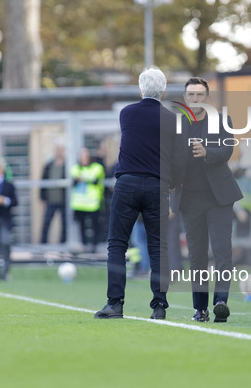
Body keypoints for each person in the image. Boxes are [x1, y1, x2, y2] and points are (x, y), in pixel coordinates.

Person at [95, 67, 183, 320]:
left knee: (117, 245)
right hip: (158, 186)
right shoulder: (172, 120)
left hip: (128, 183)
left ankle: (115, 304)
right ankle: (159, 306)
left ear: (141, 89)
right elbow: (177, 160)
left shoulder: (127, 113)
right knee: (159, 246)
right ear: (164, 91)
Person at [174, 77, 243, 323]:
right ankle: (200, 309)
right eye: (191, 95)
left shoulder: (222, 121)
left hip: (219, 198)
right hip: (189, 201)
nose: (195, 99)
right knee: (197, 257)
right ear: (185, 99)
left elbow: (227, 150)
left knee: (223, 253)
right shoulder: (177, 125)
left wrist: (207, 152)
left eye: (199, 95)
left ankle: (220, 302)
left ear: (208, 98)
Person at [70, 148, 104, 253]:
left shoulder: (97, 167)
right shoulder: (75, 168)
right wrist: (86, 177)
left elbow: (94, 178)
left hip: (93, 203)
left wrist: (83, 177)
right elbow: (75, 176)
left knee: (95, 225)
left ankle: (94, 245)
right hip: (79, 204)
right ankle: (84, 245)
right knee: (82, 226)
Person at [40, 144, 67, 244]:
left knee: (64, 224)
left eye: (61, 150)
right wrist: (42, 198)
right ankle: (43, 244)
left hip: (63, 200)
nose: (59, 152)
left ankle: (62, 244)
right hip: (50, 200)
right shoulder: (49, 164)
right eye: (57, 150)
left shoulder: (66, 164)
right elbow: (43, 180)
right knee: (46, 223)